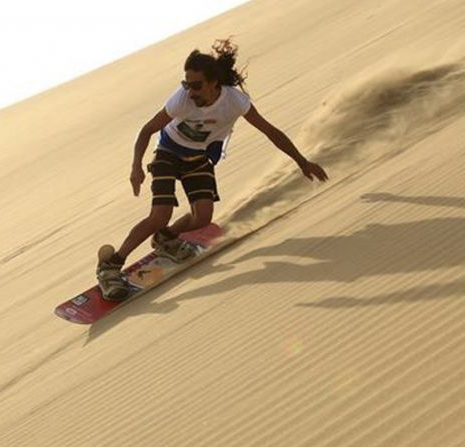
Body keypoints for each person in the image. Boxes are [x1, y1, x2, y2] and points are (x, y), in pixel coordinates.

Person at [96, 39, 329, 300]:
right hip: (168, 153)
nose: (190, 91)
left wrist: (302, 161)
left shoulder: (235, 101)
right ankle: (111, 265)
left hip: (197, 158)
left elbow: (270, 131)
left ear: (214, 83)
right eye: (186, 84)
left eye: (196, 85)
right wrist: (136, 166)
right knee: (161, 213)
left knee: (203, 217)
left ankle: (166, 238)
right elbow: (147, 130)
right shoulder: (181, 100)